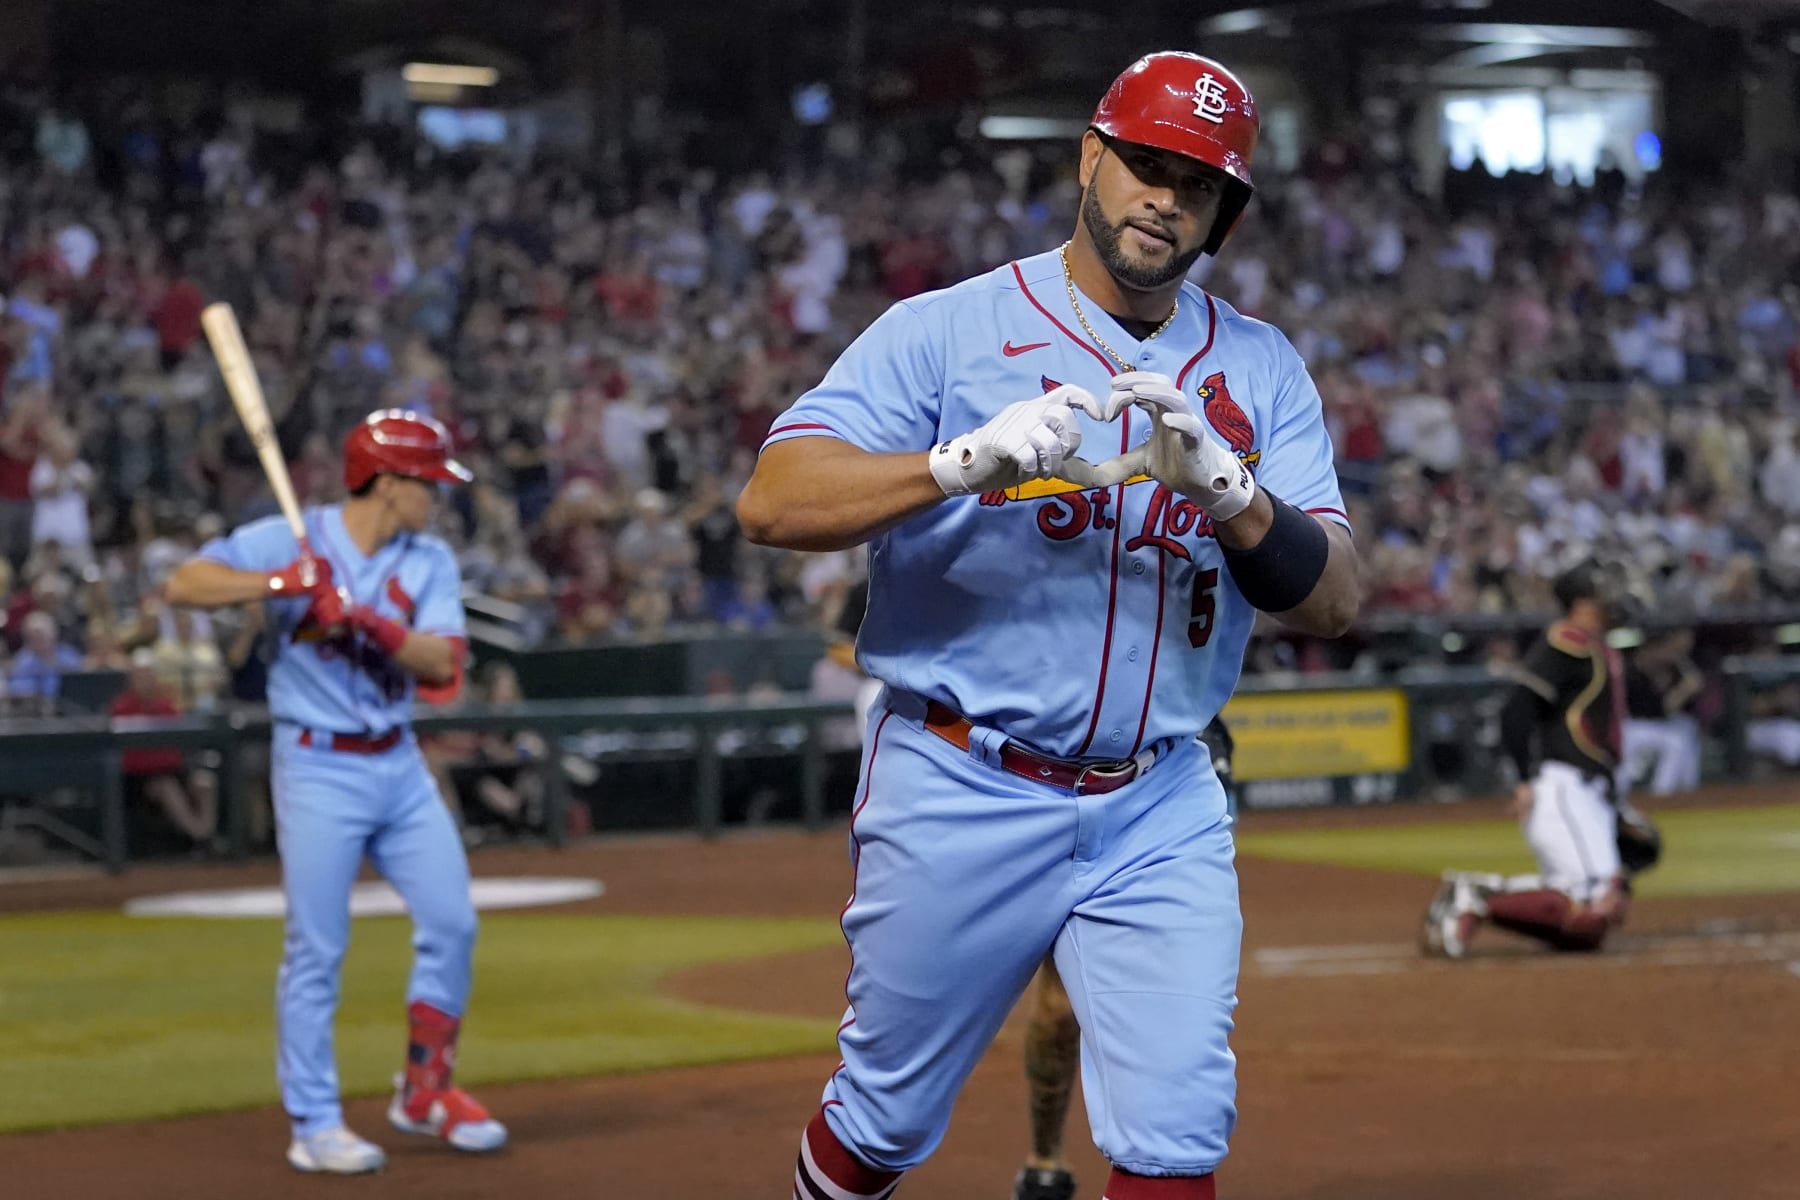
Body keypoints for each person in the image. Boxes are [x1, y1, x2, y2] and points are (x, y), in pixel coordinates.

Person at [737, 51, 1359, 1200]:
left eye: (1200, 183)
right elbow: (773, 502)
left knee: (1176, 1131)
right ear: (1091, 157)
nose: (1167, 198)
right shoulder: (946, 330)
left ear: (1226, 211)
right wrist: (957, 462)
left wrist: (1235, 494)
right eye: (1147, 165)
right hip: (962, 777)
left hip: (1159, 794)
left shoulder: (1262, 367)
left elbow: (1334, 595)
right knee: (881, 1122)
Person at [164, 410, 507, 1174]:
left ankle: (424, 1091)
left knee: (452, 922)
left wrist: (358, 620)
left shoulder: (429, 558)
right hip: (317, 765)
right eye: (427, 484)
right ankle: (314, 1121)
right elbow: (184, 583)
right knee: (318, 948)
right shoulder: (294, 537)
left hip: (398, 762)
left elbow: (442, 666)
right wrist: (280, 583)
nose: (436, 498)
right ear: (388, 484)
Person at [1011, 718, 1238, 1200]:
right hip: (1048, 799)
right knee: (1055, 1014)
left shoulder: (1188, 710)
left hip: (1153, 808)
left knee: (1170, 1033)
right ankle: (1044, 1157)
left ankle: (1141, 1164)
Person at [1422, 561, 1661, 959]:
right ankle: (1473, 896)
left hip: (1591, 793)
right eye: (1604, 591)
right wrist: (1523, 778)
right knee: (1594, 902)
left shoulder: (1598, 646)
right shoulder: (1567, 640)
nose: (1615, 598)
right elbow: (1516, 709)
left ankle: (1485, 898)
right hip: (1564, 785)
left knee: (1591, 924)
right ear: (1583, 601)